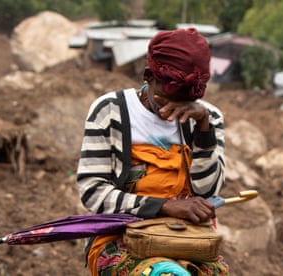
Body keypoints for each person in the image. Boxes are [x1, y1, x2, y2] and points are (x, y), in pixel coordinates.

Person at [76, 28, 228, 275]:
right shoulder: (110, 112)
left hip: (188, 238)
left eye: (186, 103)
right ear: (148, 76)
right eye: (167, 98)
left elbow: (207, 191)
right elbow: (92, 192)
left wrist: (203, 128)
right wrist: (163, 206)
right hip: (121, 237)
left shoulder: (208, 117)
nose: (175, 109)